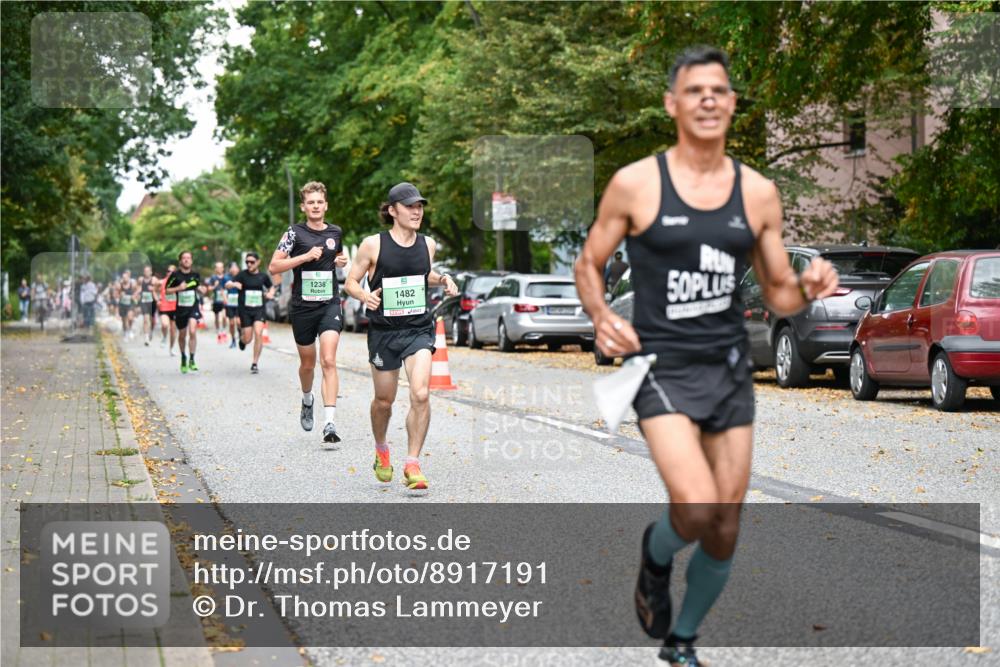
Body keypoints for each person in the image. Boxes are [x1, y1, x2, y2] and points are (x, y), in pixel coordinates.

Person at [574, 47, 839, 665]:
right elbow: (589, 263)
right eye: (695, 91)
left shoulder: (757, 193)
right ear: (673, 104)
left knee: (725, 520)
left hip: (726, 371)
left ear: (733, 104)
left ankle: (682, 640)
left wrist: (807, 288)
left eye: (719, 90)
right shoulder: (636, 184)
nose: (709, 100)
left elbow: (777, 292)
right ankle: (657, 555)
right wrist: (602, 315)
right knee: (695, 505)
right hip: (659, 367)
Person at [344, 182, 458, 491]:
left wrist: (444, 279)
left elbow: (425, 274)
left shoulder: (428, 244)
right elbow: (351, 282)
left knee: (421, 393)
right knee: (384, 400)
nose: (417, 210)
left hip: (418, 328)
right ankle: (382, 449)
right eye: (410, 206)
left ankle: (412, 463)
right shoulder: (373, 245)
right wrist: (364, 296)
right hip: (384, 332)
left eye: (419, 205)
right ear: (393, 211)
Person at [268, 181, 349, 443]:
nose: (315, 206)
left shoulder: (336, 231)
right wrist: (304, 257)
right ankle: (307, 398)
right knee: (307, 364)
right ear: (304, 207)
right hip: (303, 306)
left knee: (328, 360)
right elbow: (274, 266)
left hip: (329, 303)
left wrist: (341, 260)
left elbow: (336, 256)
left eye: (319, 202)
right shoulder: (294, 233)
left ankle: (330, 423)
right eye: (310, 203)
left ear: (326, 205)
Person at [227, 252, 275, 374]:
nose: (249, 264)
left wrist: (271, 293)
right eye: (247, 262)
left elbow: (271, 287)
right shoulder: (242, 275)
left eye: (252, 262)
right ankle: (242, 340)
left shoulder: (263, 276)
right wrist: (233, 284)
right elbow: (227, 285)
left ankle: (255, 363)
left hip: (259, 309)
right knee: (248, 339)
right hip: (245, 310)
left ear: (258, 262)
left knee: (259, 333)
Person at [164, 252, 206, 373]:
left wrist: (202, 289)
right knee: (182, 335)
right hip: (181, 309)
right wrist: (178, 288)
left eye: (189, 258)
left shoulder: (195, 274)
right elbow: (167, 290)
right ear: (180, 261)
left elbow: (197, 286)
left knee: (192, 330)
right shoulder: (175, 275)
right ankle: (183, 356)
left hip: (193, 306)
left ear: (191, 261)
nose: (186, 260)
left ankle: (192, 359)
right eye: (184, 258)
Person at [206, 261, 229, 342]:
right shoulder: (213, 278)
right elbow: (208, 289)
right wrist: (215, 286)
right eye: (218, 267)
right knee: (216, 316)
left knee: (224, 316)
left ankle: (224, 328)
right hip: (216, 300)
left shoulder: (226, 277)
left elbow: (230, 287)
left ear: (223, 268)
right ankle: (218, 329)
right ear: (215, 269)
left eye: (221, 267)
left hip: (224, 299)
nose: (219, 269)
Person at [158, 264, 178, 353]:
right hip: (164, 307)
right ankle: (164, 337)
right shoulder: (161, 282)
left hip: (175, 308)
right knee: (165, 324)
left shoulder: (178, 282)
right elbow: (154, 290)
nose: (169, 273)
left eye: (172, 271)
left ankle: (172, 348)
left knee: (173, 330)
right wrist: (157, 299)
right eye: (168, 271)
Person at [114, 270, 138, 339]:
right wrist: (120, 295)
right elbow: (115, 295)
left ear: (128, 277)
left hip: (130, 303)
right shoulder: (119, 285)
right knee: (124, 320)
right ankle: (125, 332)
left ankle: (130, 330)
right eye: (123, 278)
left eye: (126, 278)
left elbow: (137, 290)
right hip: (122, 304)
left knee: (130, 318)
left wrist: (134, 295)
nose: (124, 279)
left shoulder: (132, 284)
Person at [138, 266, 158, 345]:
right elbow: (138, 288)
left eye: (148, 271)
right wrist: (137, 293)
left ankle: (151, 331)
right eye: (145, 271)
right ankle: (146, 338)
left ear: (151, 272)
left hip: (152, 302)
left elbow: (159, 288)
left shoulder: (154, 279)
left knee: (152, 320)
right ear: (143, 272)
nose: (146, 272)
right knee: (146, 319)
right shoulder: (141, 280)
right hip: (144, 301)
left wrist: (154, 288)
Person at [224, 262, 241, 349]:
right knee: (231, 323)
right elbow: (224, 288)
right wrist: (225, 299)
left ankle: (240, 334)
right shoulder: (227, 277)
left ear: (238, 269)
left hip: (239, 303)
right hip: (230, 303)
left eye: (235, 267)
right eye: (232, 268)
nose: (234, 269)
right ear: (230, 269)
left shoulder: (242, 277)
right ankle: (233, 340)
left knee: (238, 322)